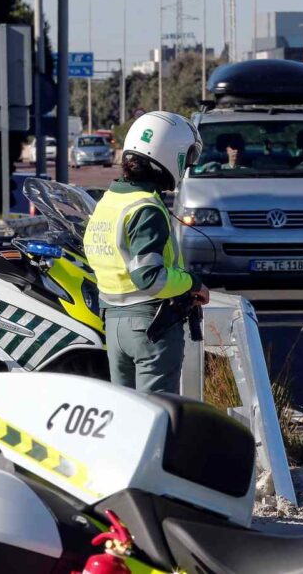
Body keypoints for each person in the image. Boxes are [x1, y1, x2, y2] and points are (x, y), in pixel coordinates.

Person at [83, 111, 211, 394]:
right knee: (156, 417)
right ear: (170, 154)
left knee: (128, 418)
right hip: (150, 325)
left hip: (114, 324)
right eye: (186, 158)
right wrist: (192, 283)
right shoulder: (146, 208)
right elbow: (149, 276)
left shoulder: (108, 202)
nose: (187, 167)